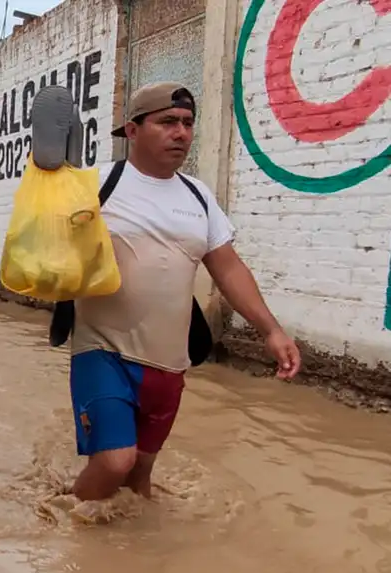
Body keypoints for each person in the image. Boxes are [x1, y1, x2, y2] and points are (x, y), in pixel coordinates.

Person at [67, 81, 302, 502]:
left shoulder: (198, 196)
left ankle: (135, 558)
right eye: (167, 122)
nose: (181, 133)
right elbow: (46, 248)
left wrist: (271, 330)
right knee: (113, 462)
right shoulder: (96, 184)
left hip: (168, 365)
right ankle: (62, 527)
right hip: (103, 350)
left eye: (188, 123)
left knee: (139, 476)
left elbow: (228, 268)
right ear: (133, 130)